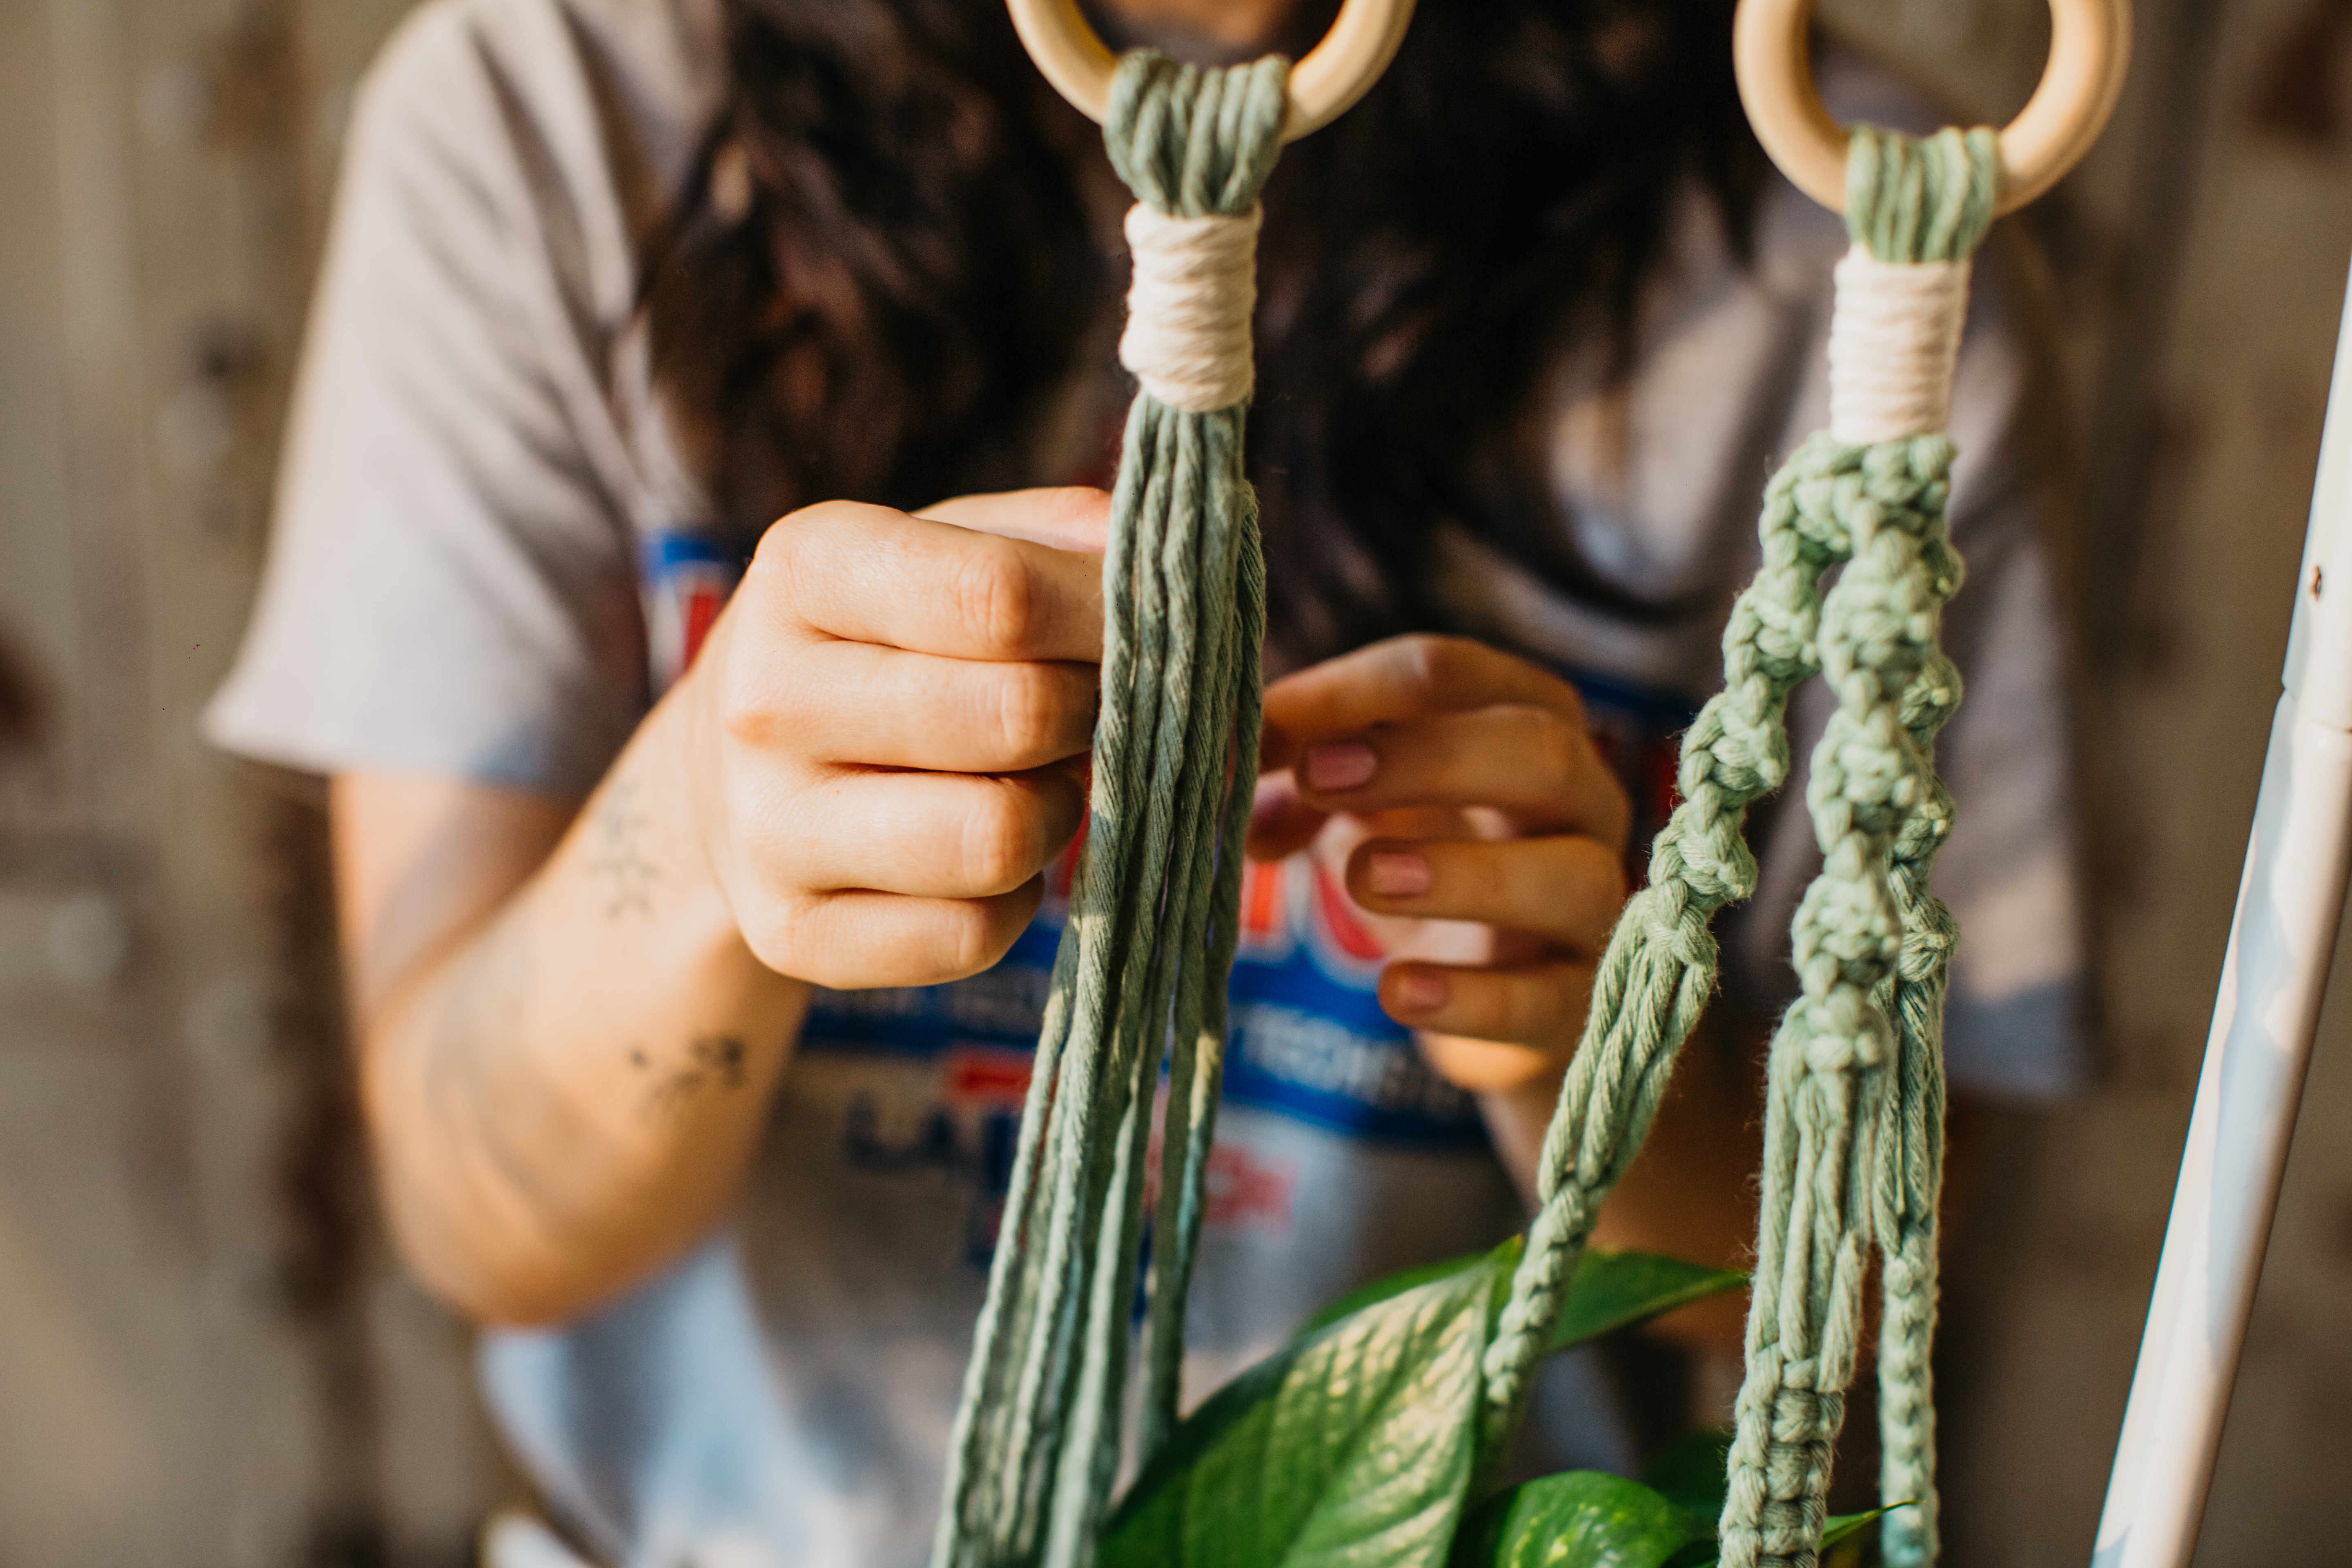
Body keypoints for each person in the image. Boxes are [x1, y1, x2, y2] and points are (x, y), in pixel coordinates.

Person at [208, 0, 2090, 1561]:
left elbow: (1843, 1327)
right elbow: (474, 1209)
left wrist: (1597, 1048)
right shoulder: (557, 114)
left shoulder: (1849, 249)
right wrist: (702, 820)